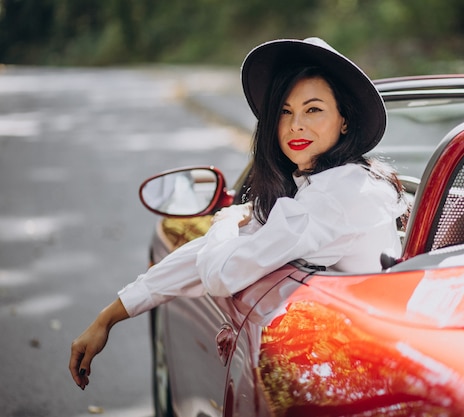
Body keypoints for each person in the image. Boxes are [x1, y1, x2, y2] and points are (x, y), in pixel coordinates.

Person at [69, 37, 407, 390]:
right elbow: (211, 253)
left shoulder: (340, 194)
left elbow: (221, 273)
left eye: (313, 109)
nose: (295, 125)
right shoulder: (326, 186)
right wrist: (110, 315)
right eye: (284, 111)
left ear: (345, 121)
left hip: (356, 371)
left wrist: (226, 220)